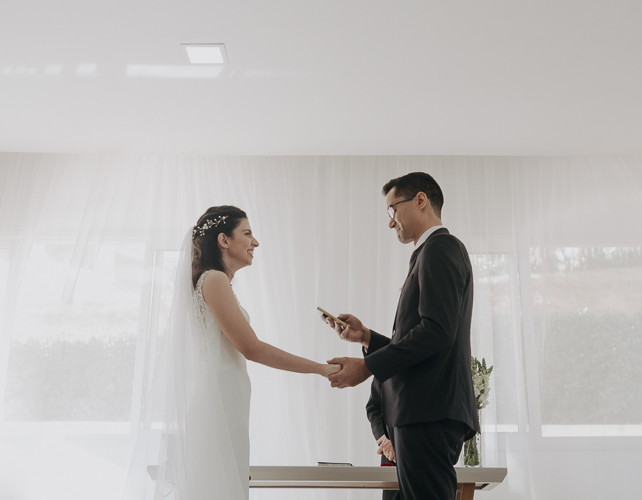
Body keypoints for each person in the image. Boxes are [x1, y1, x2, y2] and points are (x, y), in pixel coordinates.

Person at [127, 206, 340, 500]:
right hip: (219, 402)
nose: (255, 243)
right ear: (224, 240)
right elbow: (252, 348)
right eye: (248, 233)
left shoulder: (215, 281)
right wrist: (319, 368)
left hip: (226, 400)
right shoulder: (214, 279)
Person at [327, 172, 479, 500]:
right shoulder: (431, 253)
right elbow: (426, 334)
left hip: (427, 410)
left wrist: (367, 367)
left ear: (420, 200)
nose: (391, 222)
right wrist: (367, 337)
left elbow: (437, 331)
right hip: (424, 411)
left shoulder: (440, 248)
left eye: (392, 210)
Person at [366, 377, 400, 500]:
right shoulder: (385, 366)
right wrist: (385, 439)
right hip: (392, 456)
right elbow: (373, 408)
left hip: (427, 454)